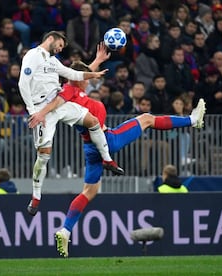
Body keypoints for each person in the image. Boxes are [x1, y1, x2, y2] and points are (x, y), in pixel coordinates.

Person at [29, 55, 206, 258]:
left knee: (88, 192)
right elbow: (67, 91)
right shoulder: (69, 91)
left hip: (89, 147)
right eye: (86, 77)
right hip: (107, 140)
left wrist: (97, 61)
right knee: (147, 118)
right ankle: (192, 120)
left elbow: (80, 76)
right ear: (79, 78)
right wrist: (42, 113)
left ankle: (66, 230)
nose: (89, 80)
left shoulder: (73, 89)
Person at [18, 32, 123, 216]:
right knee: (44, 155)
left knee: (92, 121)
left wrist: (93, 73)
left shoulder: (52, 61)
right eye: (59, 45)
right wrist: (33, 112)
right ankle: (36, 196)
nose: (60, 49)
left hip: (60, 102)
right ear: (50, 39)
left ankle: (108, 160)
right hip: (43, 109)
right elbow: (22, 83)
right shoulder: (33, 56)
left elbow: (71, 73)